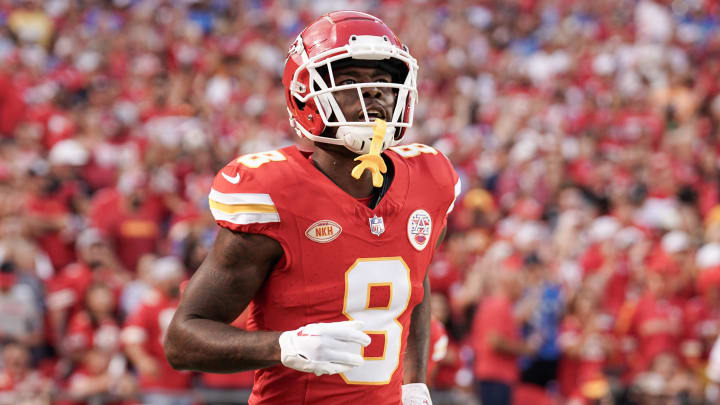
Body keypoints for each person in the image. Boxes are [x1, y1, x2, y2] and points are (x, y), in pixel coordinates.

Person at [164, 10, 460, 405]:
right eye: (350, 81)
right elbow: (183, 339)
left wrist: (414, 383)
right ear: (305, 95)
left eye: (384, 82)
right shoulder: (276, 192)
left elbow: (417, 287)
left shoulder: (430, 178)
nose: (373, 93)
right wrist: (283, 347)